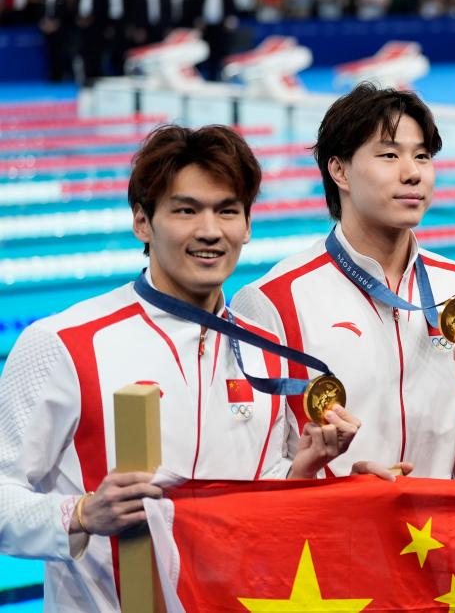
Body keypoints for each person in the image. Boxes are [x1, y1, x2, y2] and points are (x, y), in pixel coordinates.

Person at [0, 125, 363, 611]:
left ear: (248, 226)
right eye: (186, 210)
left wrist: (305, 466)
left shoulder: (266, 350)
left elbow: (256, 496)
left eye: (227, 210)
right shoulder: (65, 343)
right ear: (143, 223)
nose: (210, 230)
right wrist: (82, 512)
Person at [232, 83, 455, 480]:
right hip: (335, 536)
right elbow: (257, 469)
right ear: (339, 170)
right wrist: (337, 486)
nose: (413, 173)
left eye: (422, 156)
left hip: (443, 538)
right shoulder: (272, 300)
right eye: (389, 155)